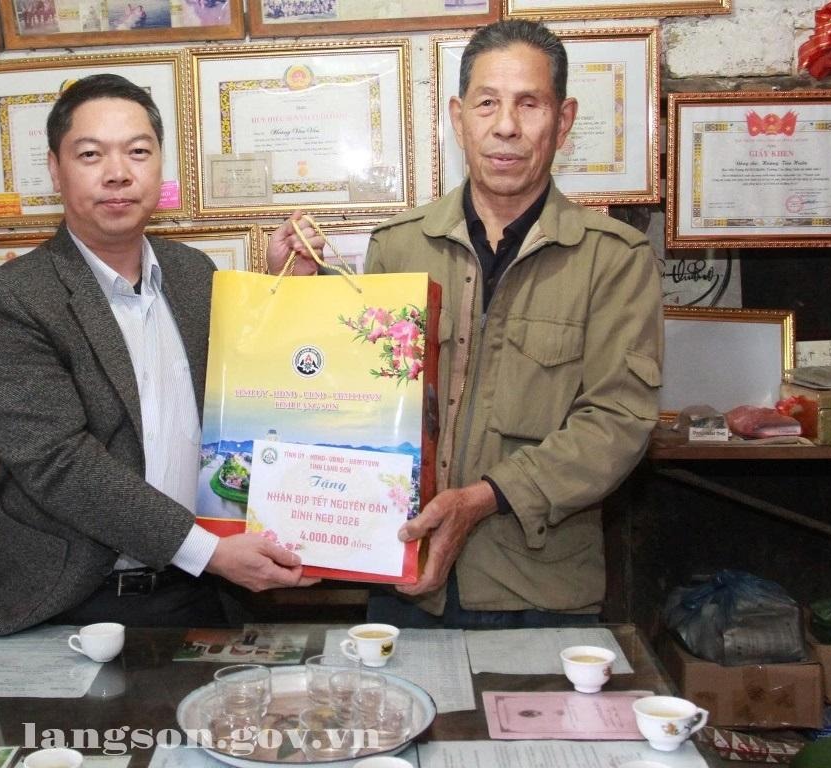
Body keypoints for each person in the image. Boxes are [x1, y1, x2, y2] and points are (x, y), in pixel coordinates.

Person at [268, 19, 663, 628]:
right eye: (486, 103)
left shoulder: (614, 259)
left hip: (538, 588)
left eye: (529, 104)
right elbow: (355, 399)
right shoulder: (398, 246)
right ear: (458, 119)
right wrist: (298, 301)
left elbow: (617, 422)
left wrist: (484, 498)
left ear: (562, 121)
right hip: (405, 572)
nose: (506, 126)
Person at [0, 74, 315, 636]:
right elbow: (58, 462)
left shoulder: (193, 273)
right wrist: (207, 550)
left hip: (199, 593)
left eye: (137, 151)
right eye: (90, 154)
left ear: (159, 166)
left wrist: (287, 291)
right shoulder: (10, 299)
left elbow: (247, 394)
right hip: (72, 602)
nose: (118, 173)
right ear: (55, 169)